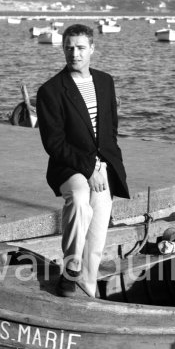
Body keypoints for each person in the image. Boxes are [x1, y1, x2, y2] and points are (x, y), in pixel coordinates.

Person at [36, 24, 130, 297]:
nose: (74, 54)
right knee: (79, 199)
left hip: (102, 165)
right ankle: (71, 266)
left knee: (99, 230)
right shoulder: (51, 90)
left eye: (79, 48)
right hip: (69, 166)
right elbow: (53, 144)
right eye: (68, 48)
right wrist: (89, 169)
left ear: (92, 49)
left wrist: (105, 165)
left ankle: (88, 289)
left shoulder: (105, 81)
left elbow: (110, 128)